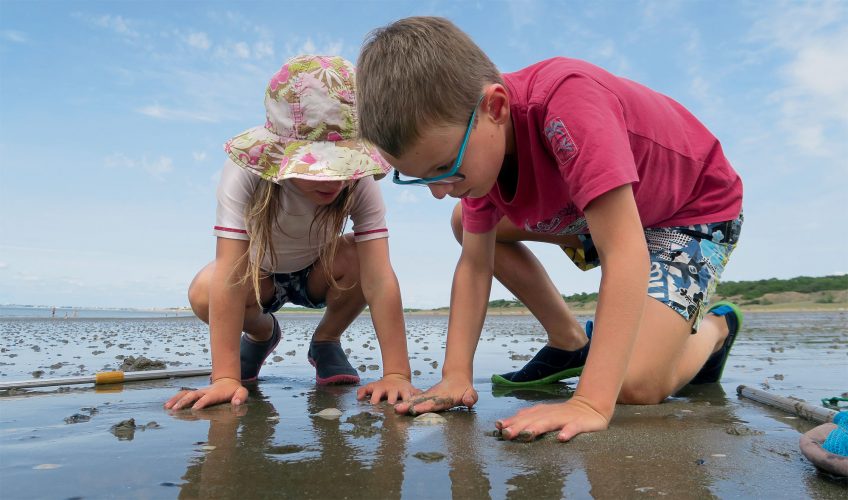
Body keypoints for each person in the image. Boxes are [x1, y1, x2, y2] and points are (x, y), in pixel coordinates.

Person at [356, 17, 744, 442]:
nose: (439, 191)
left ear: (496, 108)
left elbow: (625, 252)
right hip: (596, 212)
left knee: (634, 386)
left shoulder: (567, 104)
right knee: (464, 223)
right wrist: (456, 375)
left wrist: (590, 401)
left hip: (687, 210)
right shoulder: (478, 148)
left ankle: (715, 329)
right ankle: (569, 340)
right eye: (421, 178)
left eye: (445, 169)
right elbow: (474, 264)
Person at [165, 55, 417, 411]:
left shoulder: (359, 182)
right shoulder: (246, 174)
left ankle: (326, 340)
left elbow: (379, 277)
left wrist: (397, 374)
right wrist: (225, 377)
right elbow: (229, 274)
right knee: (204, 291)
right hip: (258, 276)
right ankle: (261, 333)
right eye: (317, 166)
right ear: (279, 154)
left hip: (319, 271)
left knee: (364, 256)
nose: (332, 179)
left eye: (340, 165)